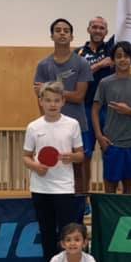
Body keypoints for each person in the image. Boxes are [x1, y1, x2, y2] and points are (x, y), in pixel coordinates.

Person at [24, 81, 85, 262]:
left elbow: (81, 155)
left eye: (56, 100)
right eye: (48, 100)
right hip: (40, 188)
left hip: (64, 189)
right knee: (48, 234)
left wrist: (71, 157)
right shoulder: (33, 127)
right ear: (41, 102)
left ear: (63, 102)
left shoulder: (72, 124)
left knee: (68, 235)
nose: (52, 104)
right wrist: (36, 166)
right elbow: (26, 156)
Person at [34, 18, 93, 196]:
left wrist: (52, 90)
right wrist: (45, 122)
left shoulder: (82, 63)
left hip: (78, 123)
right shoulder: (43, 65)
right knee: (52, 165)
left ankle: (82, 203)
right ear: (51, 36)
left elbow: (79, 96)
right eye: (58, 30)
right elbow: (40, 97)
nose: (62, 33)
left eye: (66, 31)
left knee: (79, 167)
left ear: (72, 36)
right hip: (51, 125)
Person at [92, 41, 131, 194]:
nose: (123, 59)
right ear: (113, 60)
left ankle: (126, 211)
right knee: (110, 186)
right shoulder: (105, 83)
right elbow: (95, 110)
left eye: (126, 56)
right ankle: (109, 212)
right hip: (111, 142)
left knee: (128, 186)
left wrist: (129, 111)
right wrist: (99, 136)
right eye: (118, 56)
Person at [76, 16, 115, 197]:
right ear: (88, 29)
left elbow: (125, 26)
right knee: (85, 155)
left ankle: (109, 201)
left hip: (108, 109)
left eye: (102, 28)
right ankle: (83, 200)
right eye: (95, 27)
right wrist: (99, 65)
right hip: (84, 108)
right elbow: (75, 77)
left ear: (106, 32)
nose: (98, 30)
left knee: (110, 153)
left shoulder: (112, 50)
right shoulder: (78, 53)